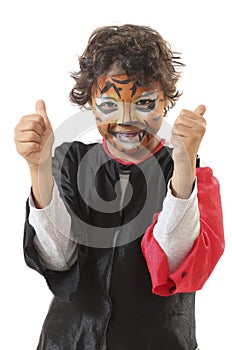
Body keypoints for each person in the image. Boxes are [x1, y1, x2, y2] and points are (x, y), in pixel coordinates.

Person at [14, 24, 224, 350]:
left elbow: (177, 264)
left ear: (165, 101)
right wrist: (38, 168)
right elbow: (58, 259)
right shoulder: (69, 162)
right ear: (91, 103)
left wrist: (183, 168)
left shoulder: (195, 176)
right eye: (109, 105)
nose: (126, 119)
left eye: (143, 103)